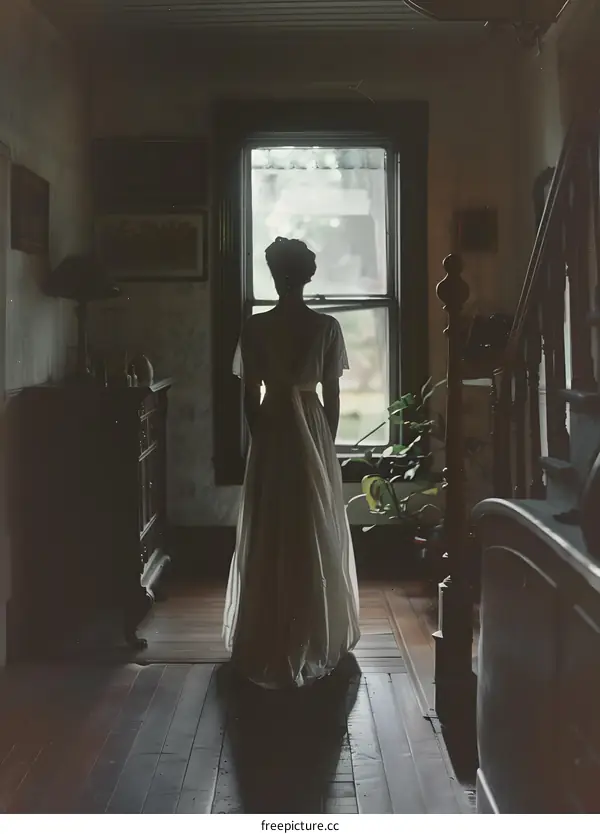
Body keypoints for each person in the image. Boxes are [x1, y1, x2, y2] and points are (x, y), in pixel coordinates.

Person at [222, 236, 361, 689]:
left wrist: (262, 436)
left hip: (275, 424)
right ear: (305, 276)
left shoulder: (257, 328)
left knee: (274, 521)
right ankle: (310, 623)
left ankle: (269, 626)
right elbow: (332, 397)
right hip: (308, 423)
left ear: (278, 275)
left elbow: (248, 397)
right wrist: (324, 440)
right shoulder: (324, 327)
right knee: (309, 521)